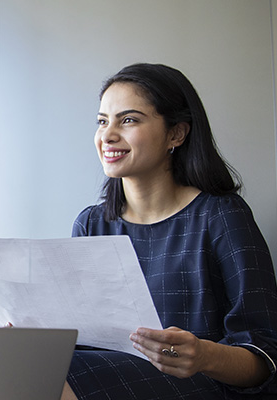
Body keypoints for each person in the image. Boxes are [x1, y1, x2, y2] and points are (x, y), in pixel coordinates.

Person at [64, 63, 277, 399]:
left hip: (201, 387)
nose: (108, 135)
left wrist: (205, 355)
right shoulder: (91, 224)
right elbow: (83, 338)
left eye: (129, 119)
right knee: (20, 362)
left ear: (176, 134)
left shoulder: (221, 217)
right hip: (103, 377)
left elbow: (266, 358)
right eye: (103, 121)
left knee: (61, 373)